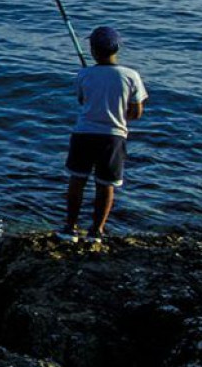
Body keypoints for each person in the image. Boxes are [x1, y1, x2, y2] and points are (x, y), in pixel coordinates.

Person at [60, 26, 148, 244]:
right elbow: (136, 113)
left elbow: (83, 101)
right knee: (106, 184)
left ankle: (69, 227)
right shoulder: (131, 76)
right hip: (113, 137)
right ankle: (96, 231)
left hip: (83, 135)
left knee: (77, 180)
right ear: (117, 47)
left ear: (92, 50)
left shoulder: (84, 75)